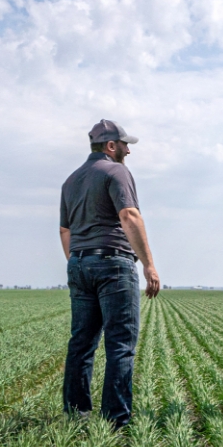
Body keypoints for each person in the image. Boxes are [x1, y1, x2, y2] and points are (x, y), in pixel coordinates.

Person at [59, 119, 161, 429]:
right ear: (111, 146)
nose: (129, 150)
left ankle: (76, 415)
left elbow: (65, 231)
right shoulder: (116, 171)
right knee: (120, 344)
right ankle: (116, 419)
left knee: (81, 342)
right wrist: (148, 264)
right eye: (125, 144)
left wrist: (79, 262)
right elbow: (129, 215)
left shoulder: (71, 180)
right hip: (114, 263)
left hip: (79, 261)